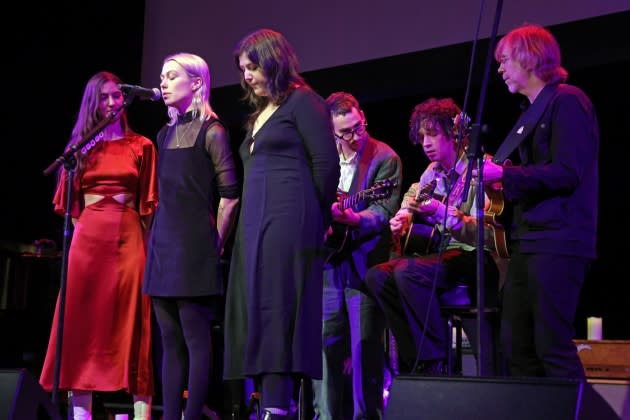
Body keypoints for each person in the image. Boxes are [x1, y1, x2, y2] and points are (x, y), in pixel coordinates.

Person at [223, 29, 340, 420]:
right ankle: (266, 401)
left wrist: (317, 219)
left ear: (273, 61)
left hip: (289, 219)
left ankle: (278, 404)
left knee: (278, 306)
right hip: (255, 224)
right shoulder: (261, 113)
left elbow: (325, 166)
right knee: (255, 307)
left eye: (252, 67)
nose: (247, 76)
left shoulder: (303, 102)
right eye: (243, 69)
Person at [475, 23, 598, 378]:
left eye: (505, 60)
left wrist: (505, 176)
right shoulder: (530, 113)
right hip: (528, 241)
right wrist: (499, 183)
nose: (500, 69)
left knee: (552, 346)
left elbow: (567, 171)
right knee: (515, 345)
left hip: (559, 240)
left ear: (530, 58)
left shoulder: (568, 100)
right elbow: (529, 178)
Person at [40, 71, 157, 420]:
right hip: (88, 241)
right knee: (82, 322)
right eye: (104, 97)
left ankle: (141, 413)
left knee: (133, 320)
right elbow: (72, 209)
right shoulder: (79, 149)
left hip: (129, 238)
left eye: (116, 97)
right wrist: (91, 231)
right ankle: (81, 414)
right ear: (93, 103)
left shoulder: (142, 146)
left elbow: (149, 207)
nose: (112, 103)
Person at [364, 97, 501, 377]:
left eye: (433, 134)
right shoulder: (433, 172)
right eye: (422, 135)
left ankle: (436, 360)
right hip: (444, 256)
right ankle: (415, 358)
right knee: (376, 276)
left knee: (408, 271)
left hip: (476, 257)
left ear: (454, 134)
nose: (425, 143)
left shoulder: (481, 170)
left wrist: (441, 213)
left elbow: (487, 234)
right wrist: (402, 216)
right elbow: (415, 193)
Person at [143, 52, 240, 420]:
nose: (163, 83)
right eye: (162, 77)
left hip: (195, 247)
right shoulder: (163, 133)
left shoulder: (212, 131)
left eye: (171, 76)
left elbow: (230, 196)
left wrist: (214, 243)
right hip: (163, 246)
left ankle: (193, 414)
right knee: (168, 344)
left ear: (196, 82)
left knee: (196, 341)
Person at [313, 92, 402, 420]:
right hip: (329, 264)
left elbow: (382, 211)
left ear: (362, 115)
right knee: (327, 349)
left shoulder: (385, 158)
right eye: (346, 132)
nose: (355, 135)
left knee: (364, 352)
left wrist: (353, 219)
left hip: (365, 266)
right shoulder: (323, 159)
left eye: (358, 126)